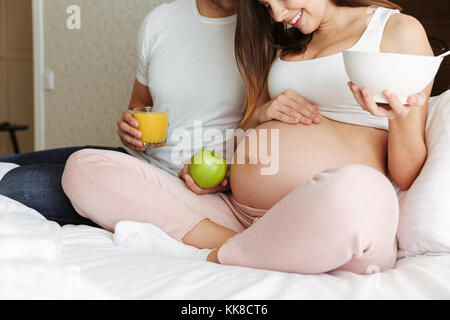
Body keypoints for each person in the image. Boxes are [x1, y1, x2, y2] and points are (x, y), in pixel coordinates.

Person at [62, 0, 432, 274]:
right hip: (238, 215)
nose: (277, 14)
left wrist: (399, 120)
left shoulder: (396, 32)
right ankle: (245, 249)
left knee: (359, 190)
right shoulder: (288, 40)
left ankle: (208, 255)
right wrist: (231, 161)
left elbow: (407, 175)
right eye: (267, 5)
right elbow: (256, 134)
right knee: (84, 167)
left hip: (328, 213)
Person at [0, 0, 250, 227]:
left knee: (16, 185)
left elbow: (270, 140)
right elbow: (139, 104)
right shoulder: (160, 20)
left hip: (178, 186)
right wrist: (129, 127)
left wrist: (230, 176)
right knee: (8, 162)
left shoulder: (265, 31)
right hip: (137, 161)